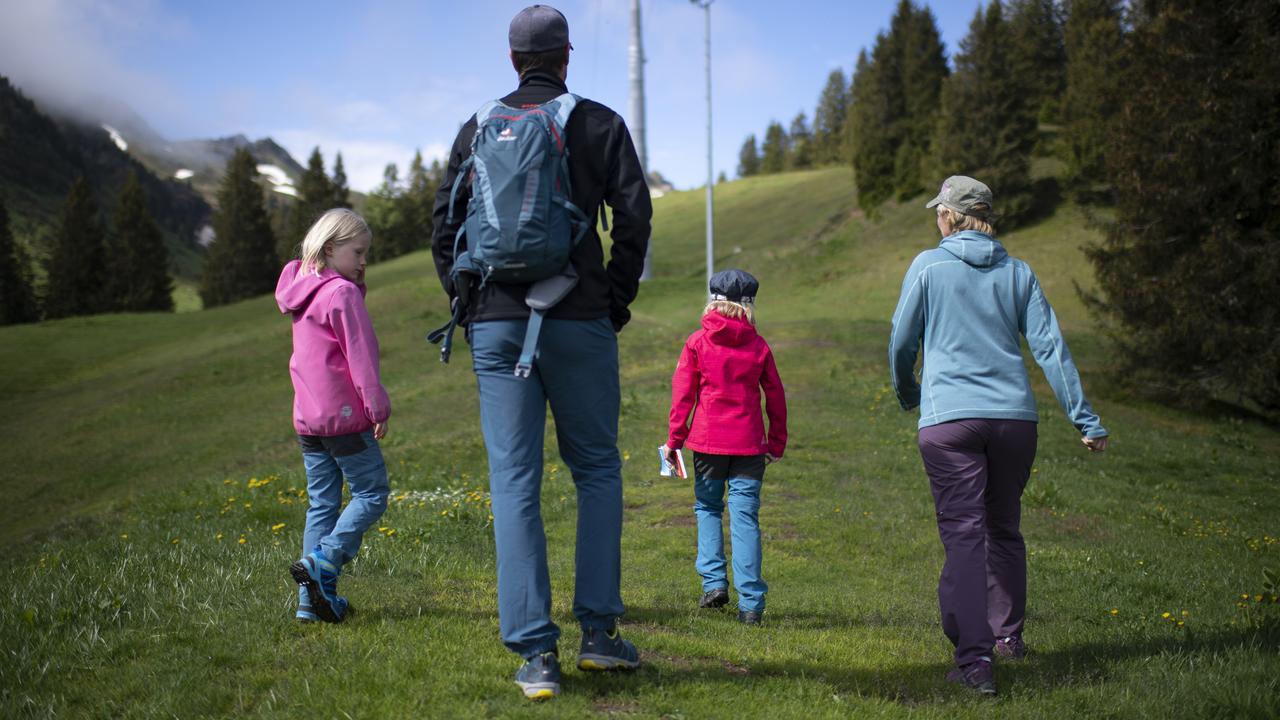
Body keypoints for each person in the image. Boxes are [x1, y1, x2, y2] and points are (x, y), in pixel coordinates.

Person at [430, 4, 652, 700]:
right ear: (566, 55)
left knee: (514, 483)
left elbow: (443, 225)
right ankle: (599, 637)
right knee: (596, 472)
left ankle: (534, 655)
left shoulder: (479, 126)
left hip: (497, 326)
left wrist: (466, 305)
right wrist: (613, 299)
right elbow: (636, 215)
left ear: (511, 58)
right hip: (579, 316)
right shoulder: (599, 122)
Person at [889, 176, 1109, 696]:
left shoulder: (928, 266)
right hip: (1014, 421)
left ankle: (974, 661)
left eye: (938, 213)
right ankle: (1007, 638)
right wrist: (1085, 419)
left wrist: (907, 391)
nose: (935, 220)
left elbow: (902, 339)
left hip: (950, 423)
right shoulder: (1019, 273)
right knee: (1003, 529)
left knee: (964, 536)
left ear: (950, 216)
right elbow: (1051, 348)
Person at [276, 208, 391, 625]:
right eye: (358, 252)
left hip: (308, 418)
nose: (363, 262)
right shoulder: (340, 293)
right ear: (330, 248)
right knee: (372, 493)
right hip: (344, 417)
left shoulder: (300, 290)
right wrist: (376, 404)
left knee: (322, 504)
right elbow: (359, 355)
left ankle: (311, 603)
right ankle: (324, 562)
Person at [665, 269, 787, 626]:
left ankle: (714, 583)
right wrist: (776, 441)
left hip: (707, 444)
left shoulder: (697, 342)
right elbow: (775, 396)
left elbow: (683, 394)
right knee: (745, 517)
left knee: (707, 507)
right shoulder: (759, 345)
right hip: (749, 445)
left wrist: (675, 440)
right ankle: (751, 604)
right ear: (749, 305)